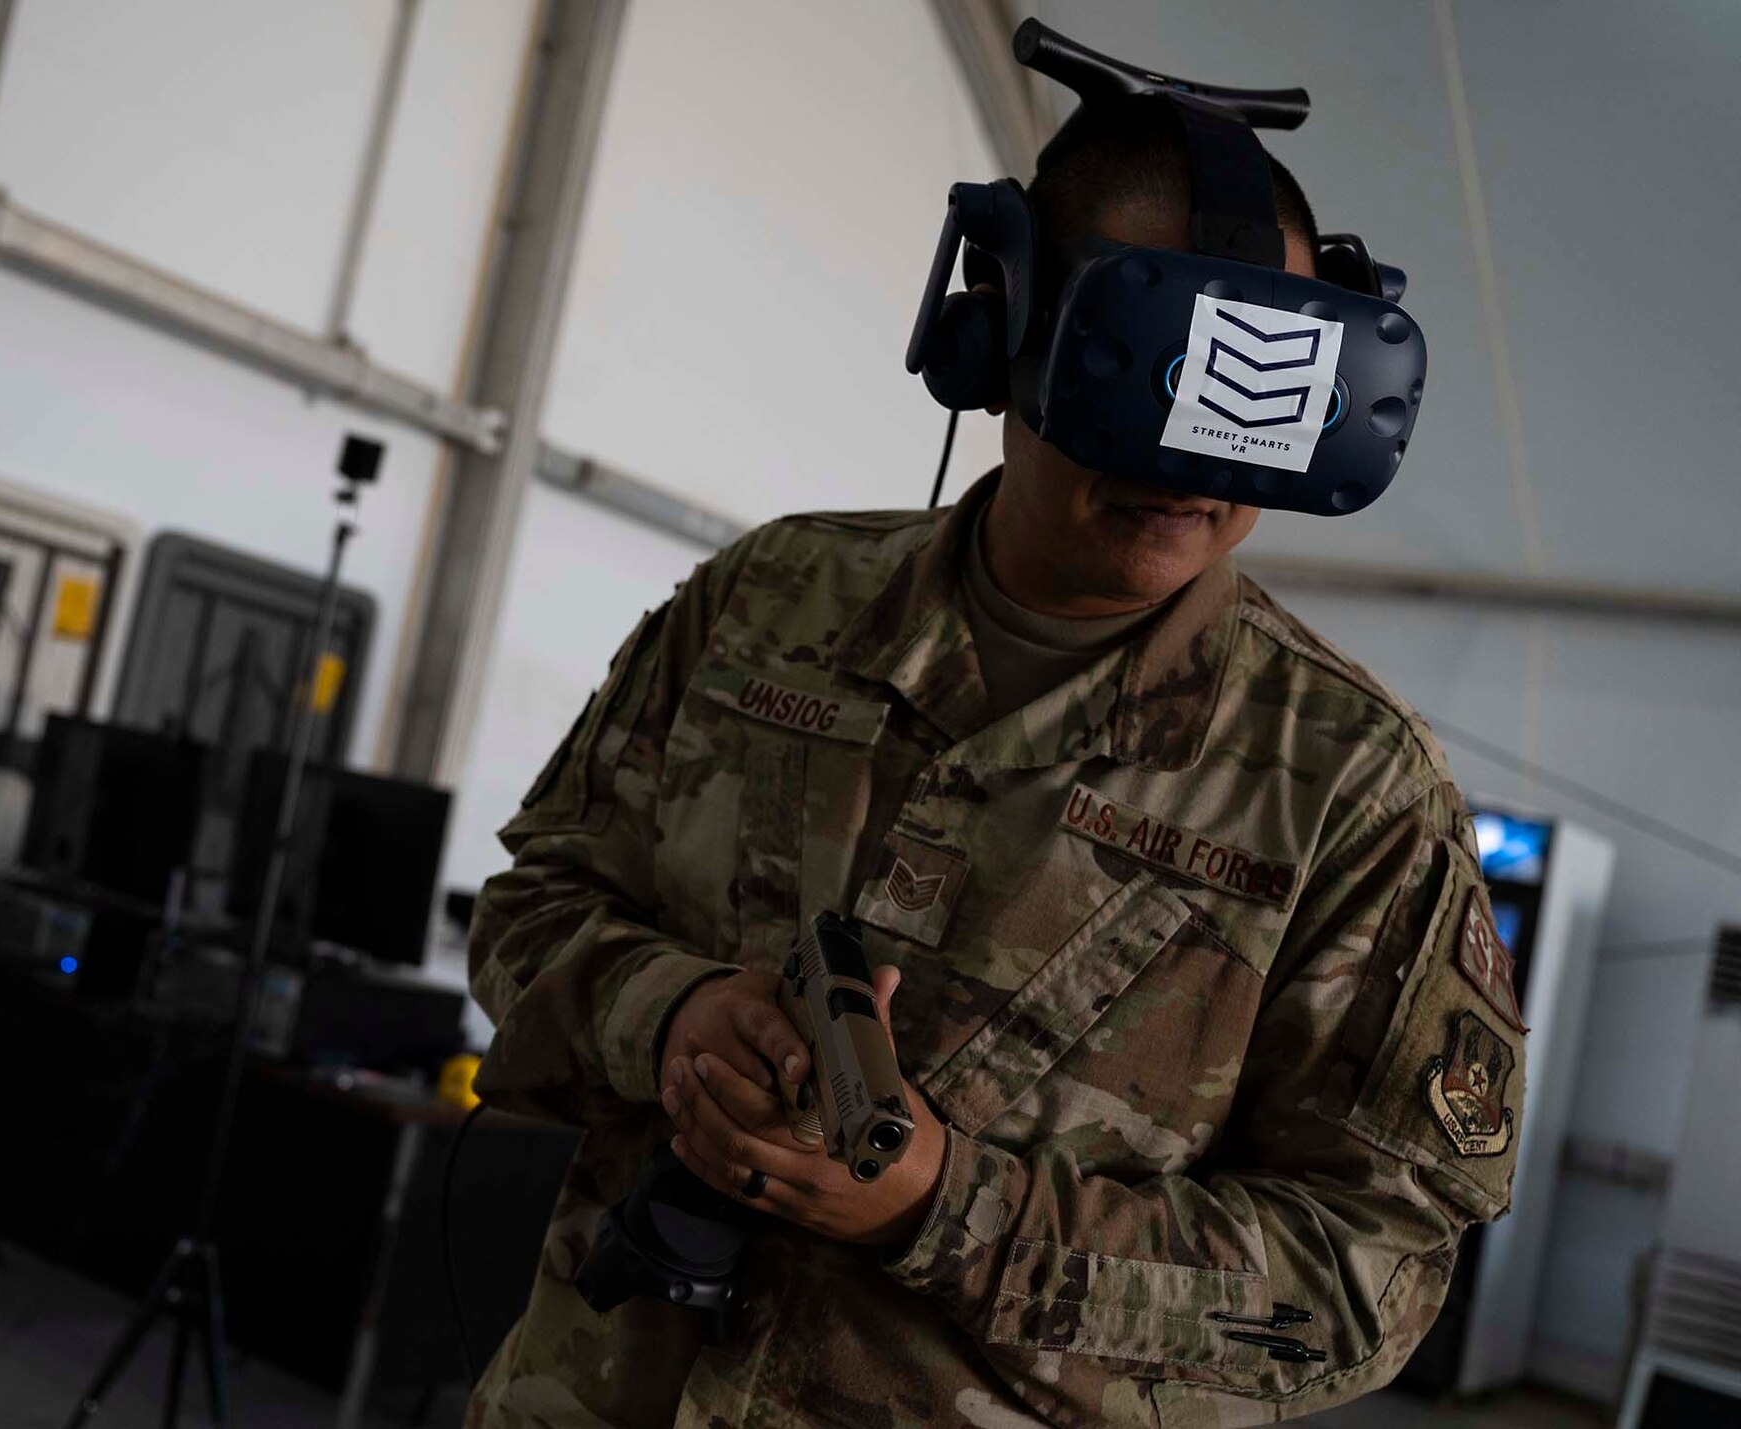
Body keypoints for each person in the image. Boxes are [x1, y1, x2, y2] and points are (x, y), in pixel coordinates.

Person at [463, 99, 1527, 1429]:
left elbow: (1367, 1278)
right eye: (1138, 365)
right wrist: (668, 1015)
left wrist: (946, 1206)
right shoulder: (768, 605)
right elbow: (528, 908)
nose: (1190, 453)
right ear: (998, 328)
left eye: (1257, 385)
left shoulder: (1351, 794)